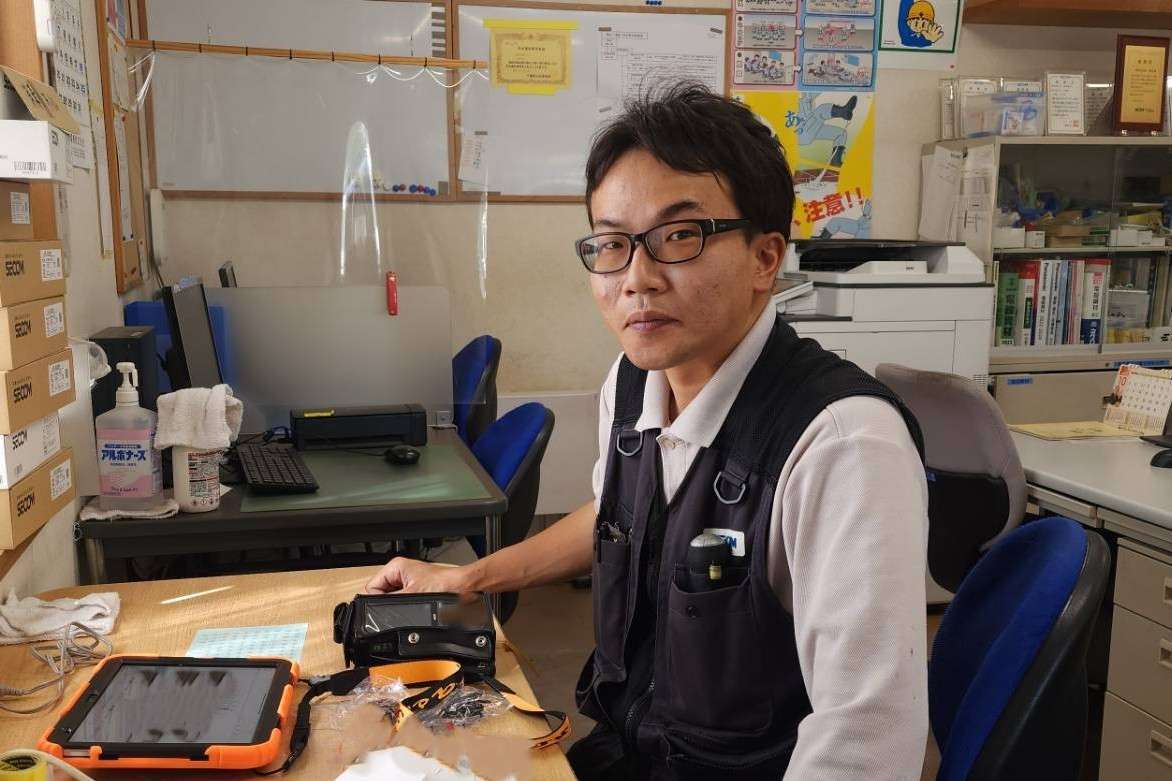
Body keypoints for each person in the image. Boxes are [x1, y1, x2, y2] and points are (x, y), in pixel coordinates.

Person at [367, 83, 929, 780]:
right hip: (630, 754)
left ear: (765, 258)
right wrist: (472, 577)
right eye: (612, 243)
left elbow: (867, 741)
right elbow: (618, 512)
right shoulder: (634, 382)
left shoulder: (842, 444)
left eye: (679, 237)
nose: (637, 278)